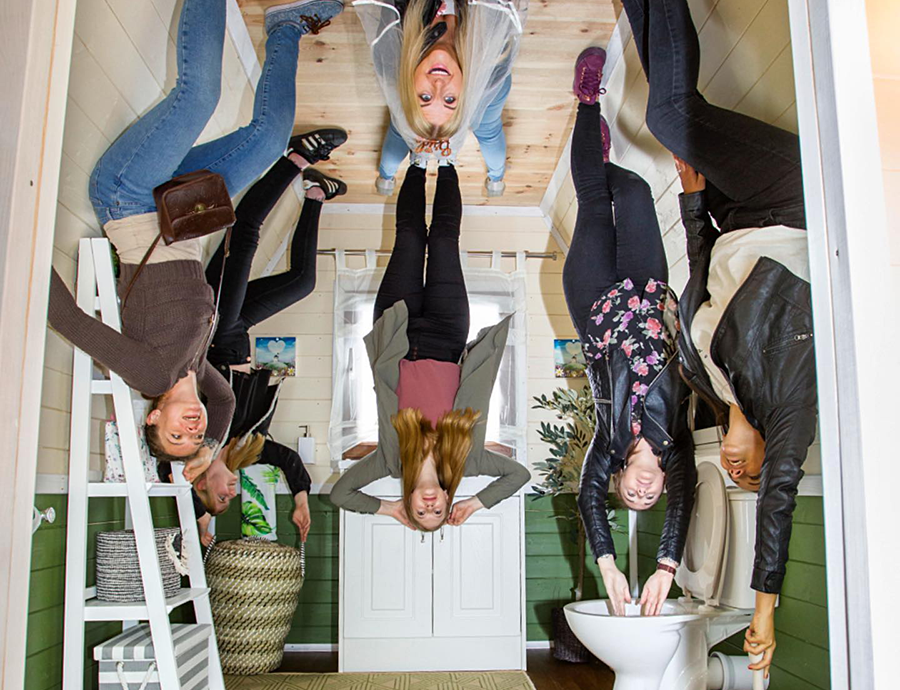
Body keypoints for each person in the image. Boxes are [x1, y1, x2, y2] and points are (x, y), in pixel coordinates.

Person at [46, 0, 345, 478]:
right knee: (269, 141)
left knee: (198, 96)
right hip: (182, 211)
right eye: (191, 435)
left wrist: (22, 252)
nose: (189, 428)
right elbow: (224, 401)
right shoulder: (193, 368)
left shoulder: (151, 375)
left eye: (173, 435)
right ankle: (285, 25)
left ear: (154, 416)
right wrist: (209, 449)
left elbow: (66, 318)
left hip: (130, 198)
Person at [620, 0, 814, 676]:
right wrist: (763, 608)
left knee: (677, 122)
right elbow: (782, 496)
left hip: (732, 219)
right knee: (671, 116)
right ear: (769, 447)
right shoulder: (789, 395)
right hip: (788, 205)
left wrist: (692, 206)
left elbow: (701, 288)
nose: (742, 472)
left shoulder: (711, 387)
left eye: (740, 477)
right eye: (751, 469)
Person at [160, 132, 350, 544]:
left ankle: (295, 158)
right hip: (238, 333)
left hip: (208, 330)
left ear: (198, 484)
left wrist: (202, 520)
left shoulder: (192, 443)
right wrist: (301, 500)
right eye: (231, 500)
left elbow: (182, 399)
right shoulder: (245, 452)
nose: (232, 493)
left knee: (244, 236)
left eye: (221, 499)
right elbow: (289, 460)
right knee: (302, 282)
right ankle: (316, 193)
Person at [565, 48, 696, 619]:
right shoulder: (677, 448)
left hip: (595, 307)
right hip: (649, 296)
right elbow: (687, 500)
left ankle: (587, 100)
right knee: (638, 192)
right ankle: (596, 158)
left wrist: (609, 563)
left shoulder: (611, 445)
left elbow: (588, 498)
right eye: (651, 497)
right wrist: (667, 565)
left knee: (595, 200)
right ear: (661, 483)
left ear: (620, 477)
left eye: (629, 494)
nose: (641, 495)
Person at [329, 163, 530, 530]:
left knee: (407, 237)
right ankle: (450, 163)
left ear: (409, 504)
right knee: (442, 241)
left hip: (396, 336)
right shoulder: (468, 462)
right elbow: (519, 475)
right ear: (447, 501)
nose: (430, 507)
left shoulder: (390, 462)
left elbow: (340, 494)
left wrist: (387, 510)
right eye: (438, 513)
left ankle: (419, 164)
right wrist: (475, 503)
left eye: (420, 514)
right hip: (448, 333)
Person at [354, 0, 528, 197]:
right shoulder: (490, 67)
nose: (438, 85)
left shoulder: (392, 48)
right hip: (490, 81)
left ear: (408, 90)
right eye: (450, 99)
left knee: (401, 128)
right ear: (466, 95)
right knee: (488, 129)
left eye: (425, 97)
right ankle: (496, 179)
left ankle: (387, 178)